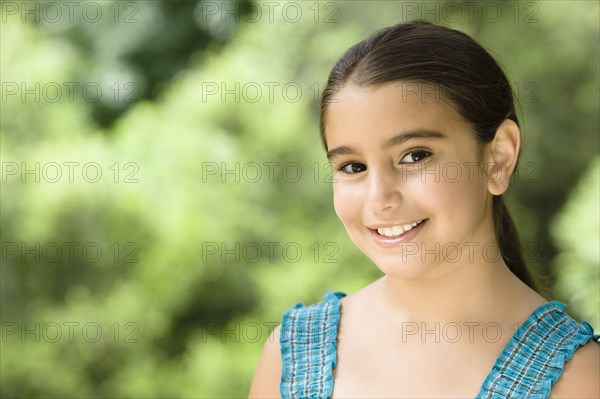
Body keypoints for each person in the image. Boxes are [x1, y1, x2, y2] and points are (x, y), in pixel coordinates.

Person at [249, 20, 600, 398]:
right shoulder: (293, 356)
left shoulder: (579, 379)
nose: (379, 198)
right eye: (353, 167)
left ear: (498, 158)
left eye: (415, 156)